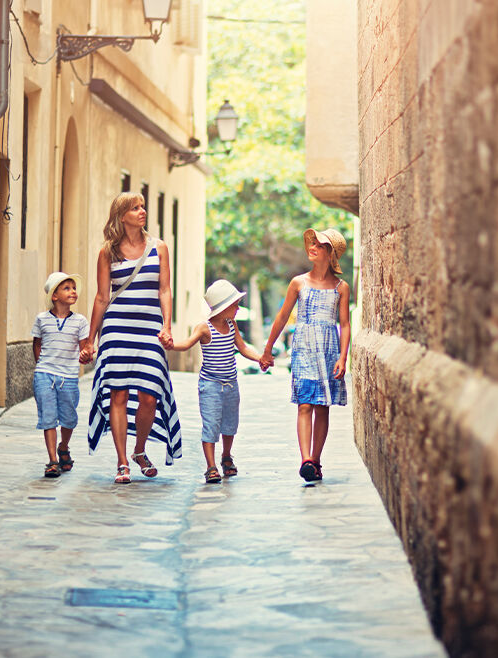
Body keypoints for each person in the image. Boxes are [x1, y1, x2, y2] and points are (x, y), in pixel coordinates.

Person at [80, 192, 182, 484]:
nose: (142, 211)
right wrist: (91, 340)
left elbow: (164, 290)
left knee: (150, 396)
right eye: (135, 208)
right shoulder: (107, 252)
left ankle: (139, 450)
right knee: (119, 394)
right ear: (121, 215)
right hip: (116, 330)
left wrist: (167, 325)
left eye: (142, 207)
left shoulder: (159, 248)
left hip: (150, 330)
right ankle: (122, 461)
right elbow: (102, 297)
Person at [260, 228, 350, 482]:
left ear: (330, 253)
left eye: (320, 245)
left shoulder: (341, 288)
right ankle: (306, 460)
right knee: (305, 403)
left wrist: (343, 357)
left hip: (329, 350)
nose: (312, 247)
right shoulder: (298, 283)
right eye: (312, 243)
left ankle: (316, 461)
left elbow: (345, 325)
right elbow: (281, 317)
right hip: (304, 349)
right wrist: (268, 350)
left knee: (323, 407)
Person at [172, 279, 263, 483]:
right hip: (210, 386)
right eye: (235, 305)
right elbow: (187, 343)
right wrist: (170, 345)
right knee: (211, 424)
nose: (238, 308)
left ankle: (226, 456)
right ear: (223, 307)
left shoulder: (232, 324)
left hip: (231, 384)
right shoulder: (204, 328)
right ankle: (211, 466)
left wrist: (260, 359)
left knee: (230, 424)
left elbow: (242, 347)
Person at [31, 272, 89, 478]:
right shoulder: (42, 319)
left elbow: (84, 348)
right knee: (48, 417)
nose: (73, 291)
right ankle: (52, 460)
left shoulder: (81, 321)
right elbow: (37, 345)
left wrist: (86, 355)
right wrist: (42, 366)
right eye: (67, 288)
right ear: (54, 296)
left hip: (69, 376)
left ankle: (64, 447)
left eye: (74, 288)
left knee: (68, 418)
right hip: (45, 374)